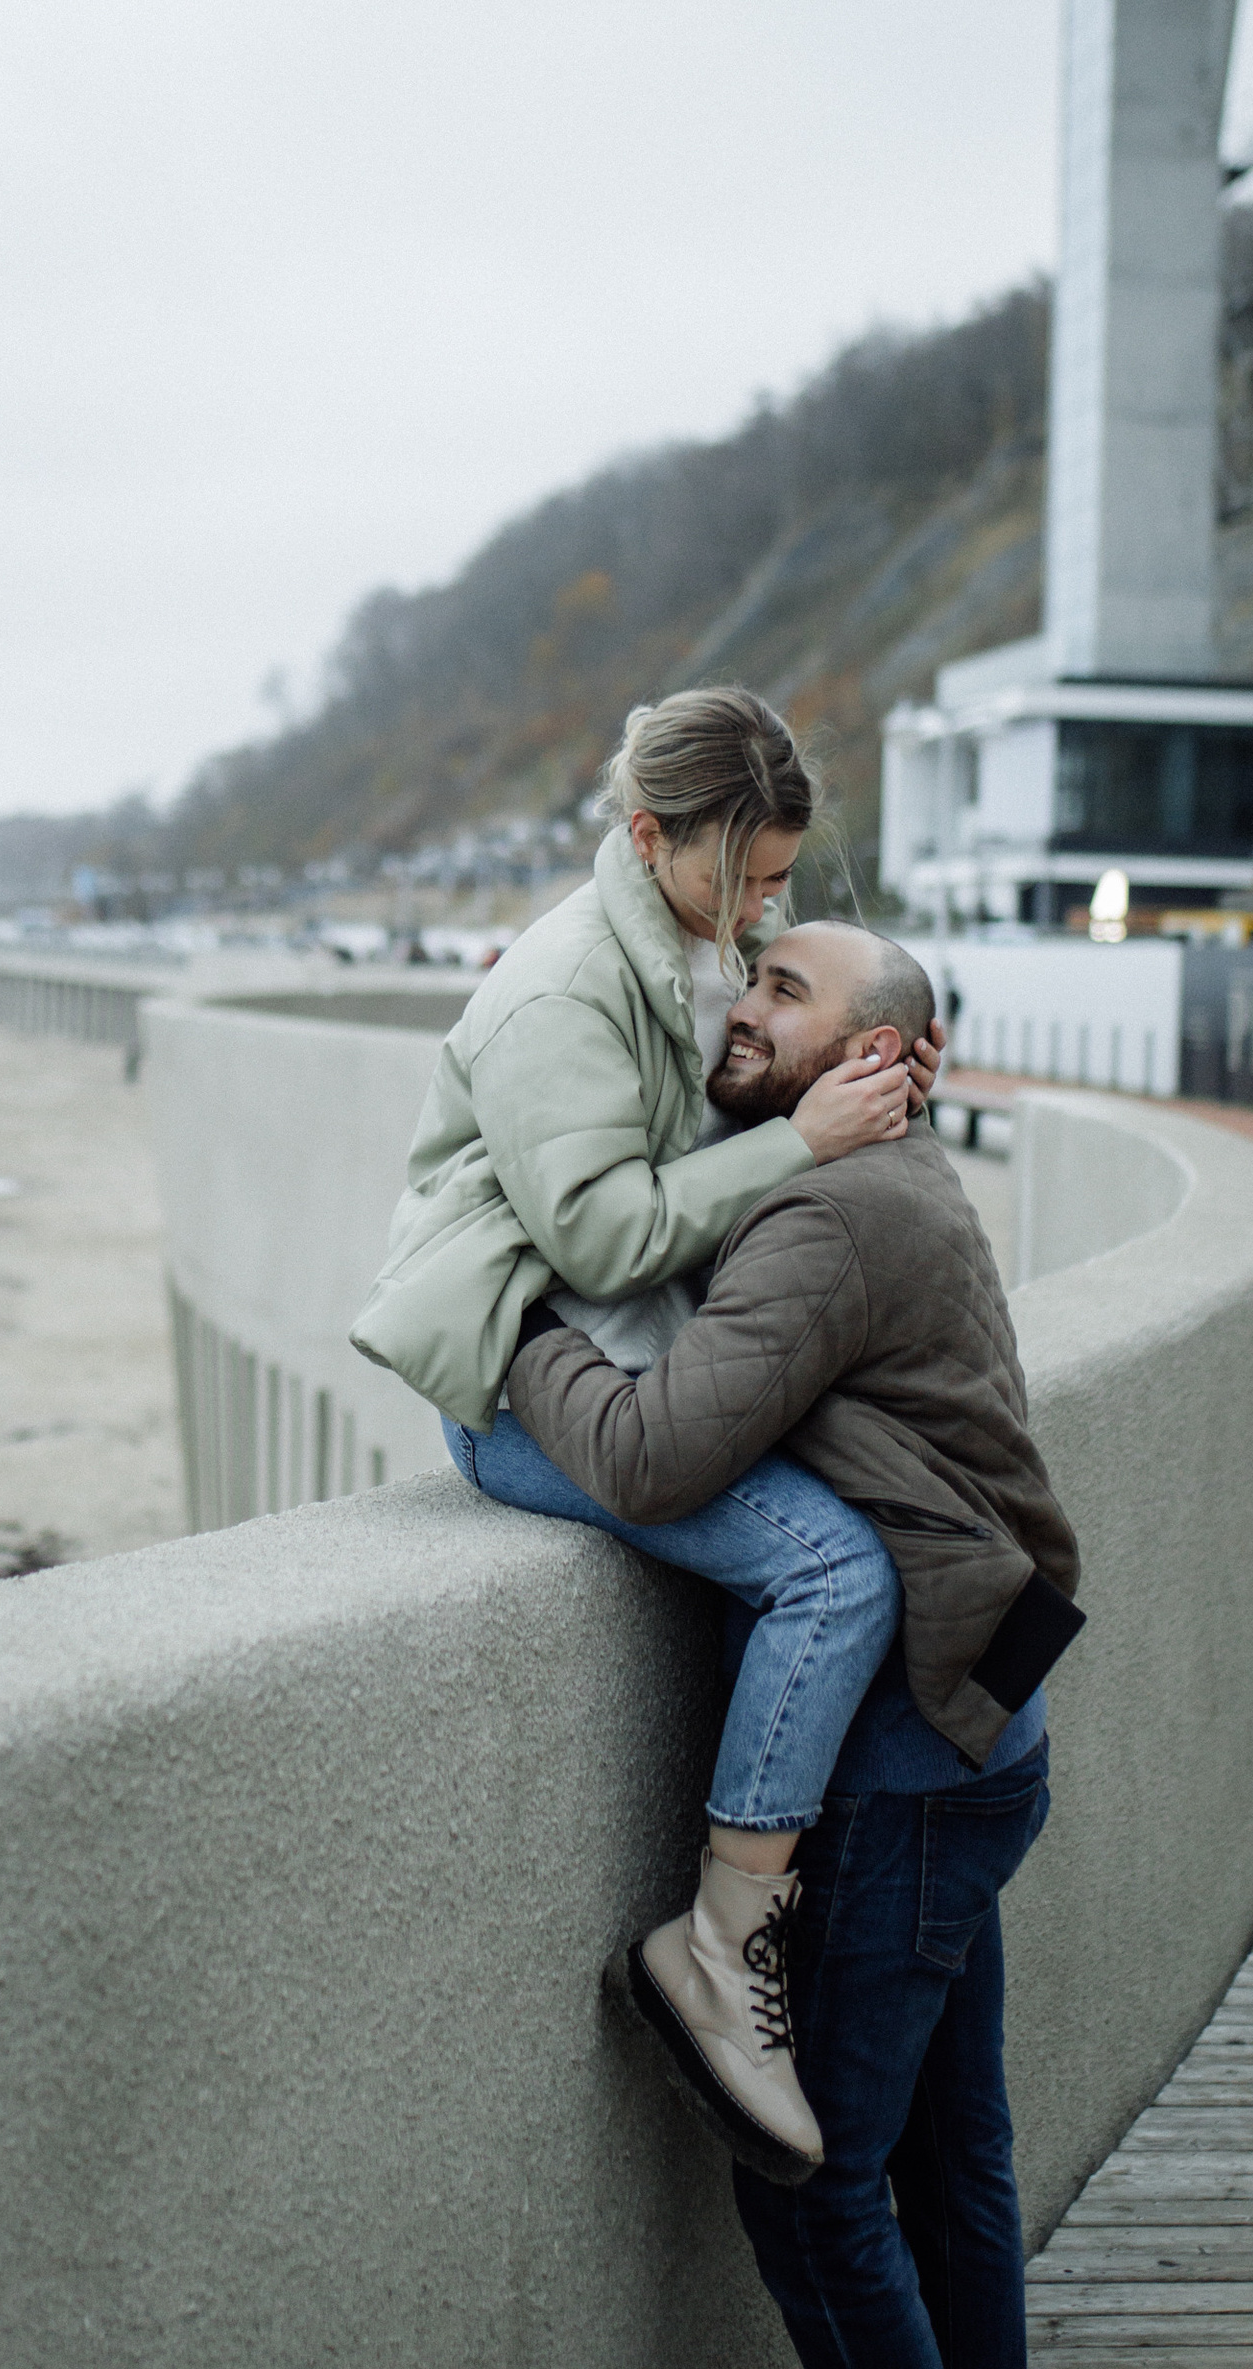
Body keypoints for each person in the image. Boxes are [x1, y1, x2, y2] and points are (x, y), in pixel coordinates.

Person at [495, 919, 1082, 2369]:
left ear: (886, 1059)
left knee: (821, 2188)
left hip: (915, 1759)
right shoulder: (890, 1188)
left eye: (787, 992)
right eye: (748, 983)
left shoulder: (833, 1219)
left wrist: (515, 1350)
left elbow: (660, 1453)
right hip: (978, 1719)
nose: (742, 1008)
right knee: (952, 2185)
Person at [354, 691, 931, 2179]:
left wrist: (859, 1077)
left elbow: (734, 1108)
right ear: (647, 835)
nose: (762, 913)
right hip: (530, 1383)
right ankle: (720, 1954)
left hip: (649, 1364)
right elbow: (605, 1237)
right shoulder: (563, 993)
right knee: (837, 1575)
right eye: (741, 879)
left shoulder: (693, 945)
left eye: (777, 883)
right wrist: (805, 1141)